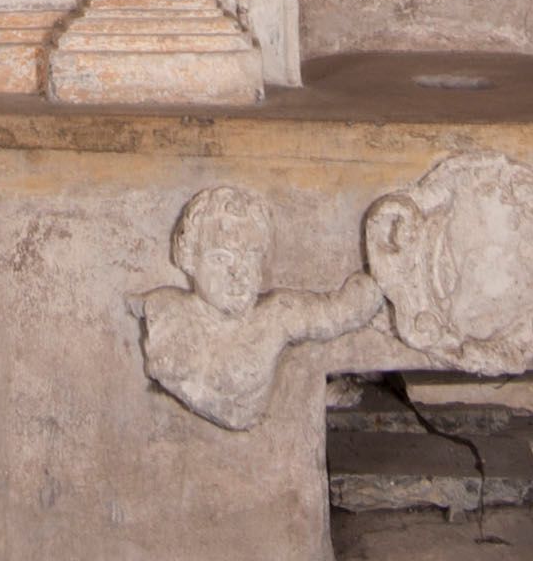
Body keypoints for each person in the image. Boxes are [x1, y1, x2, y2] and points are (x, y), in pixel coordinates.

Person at [137, 184, 379, 430]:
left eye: (249, 256)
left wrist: (384, 269)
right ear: (188, 259)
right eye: (221, 258)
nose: (237, 273)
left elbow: (341, 312)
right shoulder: (167, 313)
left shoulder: (278, 314)